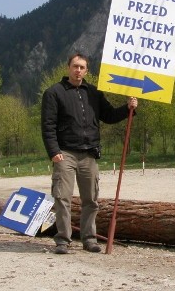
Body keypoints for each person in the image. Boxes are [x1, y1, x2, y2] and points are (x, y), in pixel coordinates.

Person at [41, 53, 137, 254]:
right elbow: (47, 126)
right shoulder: (54, 93)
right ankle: (62, 241)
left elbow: (109, 116)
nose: (78, 70)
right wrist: (53, 151)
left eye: (82, 67)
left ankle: (89, 239)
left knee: (91, 200)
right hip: (64, 153)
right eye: (75, 66)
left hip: (89, 154)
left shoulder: (94, 93)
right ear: (68, 68)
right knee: (62, 198)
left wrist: (128, 108)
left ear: (86, 70)